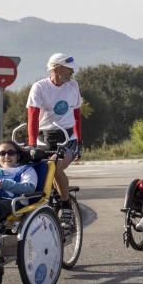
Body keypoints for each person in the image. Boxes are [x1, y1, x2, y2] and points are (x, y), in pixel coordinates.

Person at [26, 52, 81, 225]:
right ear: (56, 69)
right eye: (68, 69)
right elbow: (33, 117)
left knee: (54, 167)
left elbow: (77, 114)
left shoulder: (73, 86)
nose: (71, 73)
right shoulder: (39, 87)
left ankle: (66, 205)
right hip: (45, 137)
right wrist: (32, 144)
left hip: (67, 137)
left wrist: (80, 141)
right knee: (37, 172)